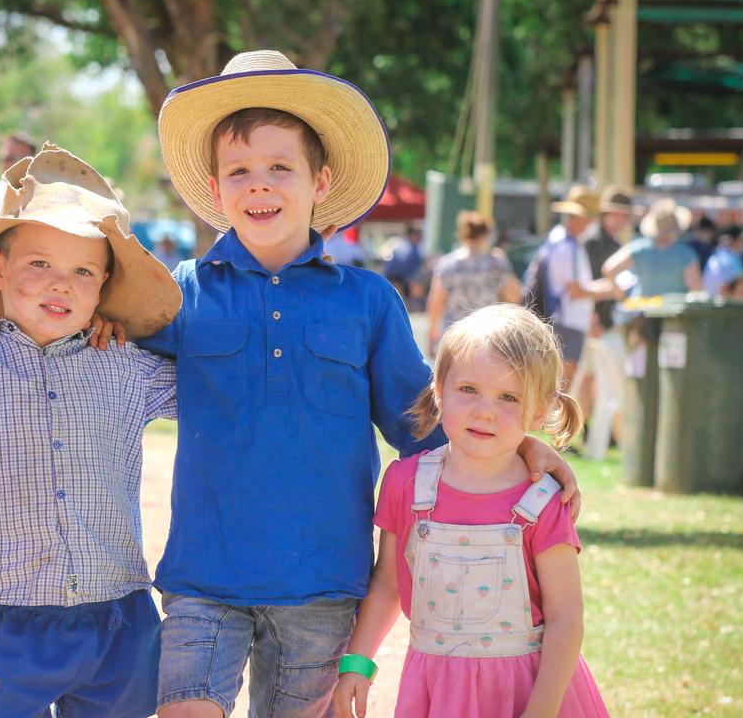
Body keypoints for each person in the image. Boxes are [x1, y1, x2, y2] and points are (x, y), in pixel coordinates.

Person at [118, 50, 580, 718]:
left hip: (325, 582)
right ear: (217, 189)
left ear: (320, 181)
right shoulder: (179, 294)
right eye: (239, 171)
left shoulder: (366, 299)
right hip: (203, 574)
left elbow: (422, 426)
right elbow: (99, 361)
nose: (259, 185)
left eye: (281, 167)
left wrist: (523, 450)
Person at [0, 144, 182, 718]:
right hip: (12, 619)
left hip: (119, 615)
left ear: (103, 287)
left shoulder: (128, 366)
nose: (61, 285)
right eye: (40, 265)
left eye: (83, 272)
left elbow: (224, 392)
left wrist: (137, 331)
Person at [333, 303, 609, 718]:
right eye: (468, 390)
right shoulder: (406, 484)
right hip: (436, 692)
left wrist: (542, 711)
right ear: (439, 390)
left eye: (508, 397)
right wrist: (358, 661)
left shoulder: (542, 500)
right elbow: (389, 581)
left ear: (538, 411)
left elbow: (566, 618)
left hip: (528, 693)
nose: (485, 410)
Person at [575, 187, 631, 459]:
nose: (621, 220)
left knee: (596, 379)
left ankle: (593, 432)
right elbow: (586, 283)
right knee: (586, 379)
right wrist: (593, 315)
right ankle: (582, 430)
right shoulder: (593, 242)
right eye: (618, 214)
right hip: (594, 320)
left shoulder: (614, 243)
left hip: (606, 320)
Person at [542, 186, 614, 386]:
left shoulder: (562, 241)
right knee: (563, 383)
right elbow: (574, 291)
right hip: (567, 323)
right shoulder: (567, 246)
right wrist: (608, 291)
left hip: (566, 321)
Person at [426, 210, 519, 350]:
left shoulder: (448, 264)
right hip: (488, 337)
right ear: (486, 235)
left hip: (454, 336)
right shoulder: (497, 264)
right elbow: (514, 298)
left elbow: (436, 302)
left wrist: (432, 334)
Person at [601, 198, 701, 298]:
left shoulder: (638, 248)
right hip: (674, 311)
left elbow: (609, 269)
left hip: (643, 310)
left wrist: (620, 295)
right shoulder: (685, 254)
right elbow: (696, 291)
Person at [703, 225, 743, 296]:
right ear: (735, 240)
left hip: (717, 302)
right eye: (742, 240)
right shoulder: (727, 259)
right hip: (722, 304)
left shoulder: (721, 255)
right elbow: (725, 289)